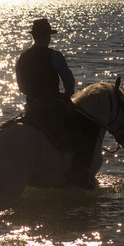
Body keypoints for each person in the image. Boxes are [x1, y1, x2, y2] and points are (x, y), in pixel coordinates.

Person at [15, 18, 101, 189]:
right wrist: (66, 95)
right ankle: (79, 172)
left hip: (32, 108)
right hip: (52, 108)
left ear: (33, 36)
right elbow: (69, 82)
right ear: (48, 37)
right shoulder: (55, 56)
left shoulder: (22, 58)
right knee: (91, 127)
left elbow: (22, 87)